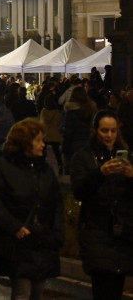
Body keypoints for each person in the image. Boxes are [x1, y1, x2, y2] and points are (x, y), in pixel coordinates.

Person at [0, 118, 64, 300]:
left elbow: (56, 203)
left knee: (38, 292)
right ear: (25, 143)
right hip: (18, 242)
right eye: (38, 140)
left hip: (43, 241)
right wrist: (14, 227)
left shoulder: (45, 170)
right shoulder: (3, 168)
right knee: (22, 292)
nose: (43, 145)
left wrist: (57, 234)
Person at [70, 109, 133, 298]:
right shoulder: (83, 157)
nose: (109, 136)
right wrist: (100, 173)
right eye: (104, 130)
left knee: (116, 288)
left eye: (113, 131)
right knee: (103, 288)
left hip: (122, 234)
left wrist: (131, 177)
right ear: (95, 130)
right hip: (96, 232)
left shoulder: (127, 156)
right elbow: (79, 191)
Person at [62, 87, 97, 174]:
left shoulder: (71, 113)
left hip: (74, 146)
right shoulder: (91, 110)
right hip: (89, 144)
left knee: (74, 171)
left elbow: (68, 133)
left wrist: (65, 148)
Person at [38, 95, 63, 175]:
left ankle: (42, 166)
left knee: (43, 151)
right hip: (55, 134)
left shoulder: (44, 111)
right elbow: (59, 121)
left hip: (45, 134)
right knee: (56, 152)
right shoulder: (56, 112)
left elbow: (41, 122)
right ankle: (60, 165)